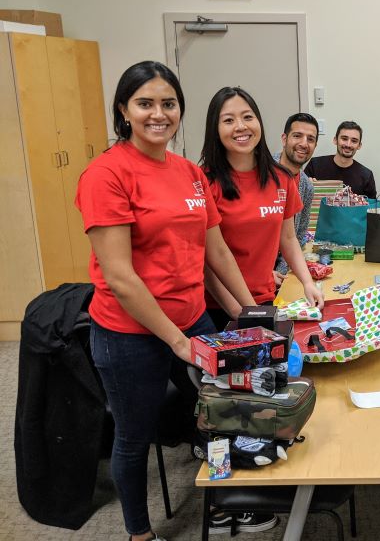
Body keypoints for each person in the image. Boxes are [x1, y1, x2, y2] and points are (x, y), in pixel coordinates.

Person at [75, 62, 256, 541]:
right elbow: (119, 275)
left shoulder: (189, 173)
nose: (159, 114)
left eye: (168, 103)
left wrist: (247, 310)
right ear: (124, 110)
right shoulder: (106, 174)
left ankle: (225, 506)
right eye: (145, 103)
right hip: (129, 333)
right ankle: (139, 533)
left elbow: (216, 249)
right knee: (134, 438)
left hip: (192, 318)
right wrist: (178, 341)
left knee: (221, 413)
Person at [200, 87, 324, 333]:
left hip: (264, 299)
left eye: (248, 117)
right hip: (219, 307)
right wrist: (241, 312)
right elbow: (207, 260)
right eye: (228, 120)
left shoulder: (280, 178)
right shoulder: (204, 181)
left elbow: (288, 238)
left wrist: (307, 283)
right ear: (215, 128)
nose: (240, 126)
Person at [273, 113, 319, 279]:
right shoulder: (261, 172)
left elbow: (297, 238)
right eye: (297, 136)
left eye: (310, 139)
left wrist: (282, 273)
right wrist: (263, 273)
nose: (304, 144)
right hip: (249, 275)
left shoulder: (306, 186)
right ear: (284, 139)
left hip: (280, 275)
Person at [304, 120, 377, 198]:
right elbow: (298, 196)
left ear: (359, 145)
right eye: (344, 139)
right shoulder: (315, 165)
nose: (348, 144)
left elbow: (371, 208)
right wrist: (306, 187)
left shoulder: (366, 175)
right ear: (335, 140)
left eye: (354, 141)